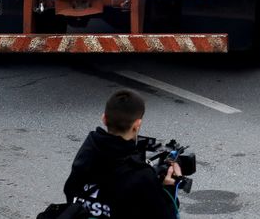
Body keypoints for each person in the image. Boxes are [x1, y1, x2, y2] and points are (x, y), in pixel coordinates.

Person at [63, 88, 182, 218]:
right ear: (137, 124)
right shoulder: (141, 175)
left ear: (104, 118)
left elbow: (70, 193)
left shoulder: (88, 152)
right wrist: (169, 189)